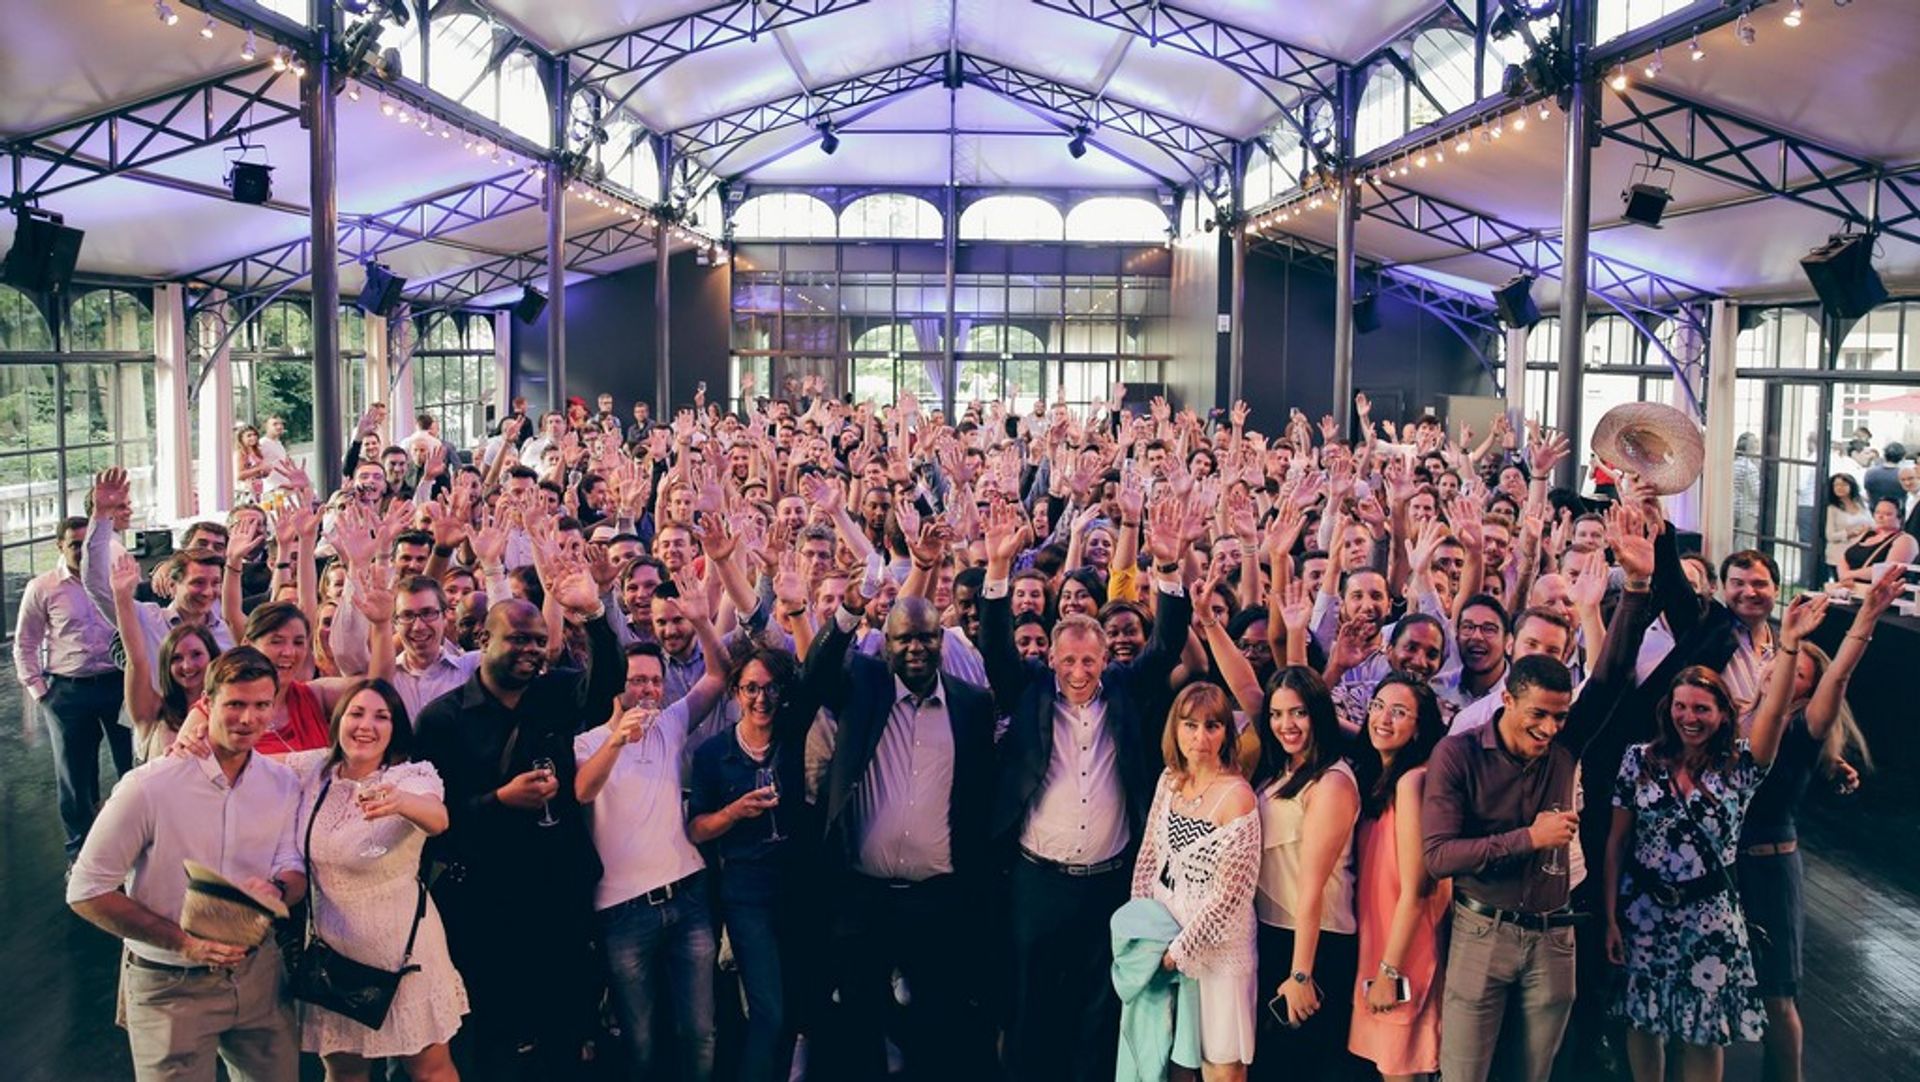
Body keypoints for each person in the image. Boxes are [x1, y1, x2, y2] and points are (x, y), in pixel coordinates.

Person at [979, 496, 1195, 1082]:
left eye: (1090, 661)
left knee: (1098, 1007)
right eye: (1068, 660)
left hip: (1107, 882)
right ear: (1051, 658)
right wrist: (997, 568)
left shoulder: (1125, 689)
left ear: (1105, 659)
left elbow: (1166, 645)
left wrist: (1168, 568)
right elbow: (995, 647)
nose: (1079, 672)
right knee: (1030, 1005)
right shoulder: (1028, 689)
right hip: (1037, 881)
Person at [67, 647, 308, 1082]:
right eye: (235, 704)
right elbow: (86, 891)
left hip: (258, 973)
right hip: (169, 985)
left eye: (261, 706)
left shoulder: (283, 783)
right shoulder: (149, 787)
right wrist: (184, 943)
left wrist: (279, 889)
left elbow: (291, 864)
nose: (248, 719)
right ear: (207, 703)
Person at [1604, 593, 1817, 1082]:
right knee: (1644, 1018)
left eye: (1701, 708)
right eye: (1681, 707)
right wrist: (1611, 916)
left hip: (1709, 917)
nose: (1689, 717)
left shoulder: (1739, 766)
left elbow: (1773, 715)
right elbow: (1617, 844)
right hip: (1644, 910)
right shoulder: (1639, 760)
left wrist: (1788, 646)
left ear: (1724, 713)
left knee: (1702, 1031)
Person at [413, 587, 622, 1080]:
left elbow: (608, 685)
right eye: (518, 639)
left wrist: (594, 615)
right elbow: (431, 820)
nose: (531, 649)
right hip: (488, 902)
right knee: (498, 1030)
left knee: (565, 1023)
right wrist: (499, 801)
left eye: (538, 640)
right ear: (483, 640)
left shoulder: (554, 694)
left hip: (559, 892)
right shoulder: (442, 719)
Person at [799, 586, 999, 1081]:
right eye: (904, 638)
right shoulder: (863, 685)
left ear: (941, 641)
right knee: (861, 1022)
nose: (916, 648)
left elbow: (978, 794)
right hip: (863, 894)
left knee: (936, 1021)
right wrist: (848, 611)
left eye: (926, 637)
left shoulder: (972, 704)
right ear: (886, 643)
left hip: (937, 897)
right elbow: (816, 674)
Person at [1737, 573, 1893, 1082]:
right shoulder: (1735, 717)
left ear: (1806, 689)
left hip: (1769, 869)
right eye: (1780, 664)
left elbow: (1839, 676)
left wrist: (1866, 616)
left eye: (1799, 673)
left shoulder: (1803, 730)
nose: (1782, 673)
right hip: (1724, 868)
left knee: (1776, 995)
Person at [286, 679, 467, 1080]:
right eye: (356, 713)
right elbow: (245, 755)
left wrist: (401, 802)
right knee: (344, 1073)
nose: (366, 725)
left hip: (403, 956)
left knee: (429, 1070)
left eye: (381, 717)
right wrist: (196, 725)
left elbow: (438, 819)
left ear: (395, 728)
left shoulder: (411, 776)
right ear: (338, 721)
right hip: (333, 957)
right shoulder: (312, 770)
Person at [577, 613, 729, 1081]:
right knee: (639, 1039)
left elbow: (718, 675)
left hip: (687, 896)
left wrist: (702, 620)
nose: (648, 690)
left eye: (656, 681)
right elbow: (582, 791)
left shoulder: (672, 722)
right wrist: (617, 741)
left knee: (700, 1031)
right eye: (637, 681)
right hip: (622, 912)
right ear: (616, 686)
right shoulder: (586, 742)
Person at [689, 646, 827, 1082]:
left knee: (796, 1005)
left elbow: (818, 676)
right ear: (735, 691)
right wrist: (733, 813)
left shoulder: (794, 738)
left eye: (770, 689)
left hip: (797, 888)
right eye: (751, 688)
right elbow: (696, 829)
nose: (761, 699)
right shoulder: (713, 754)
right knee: (768, 1010)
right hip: (746, 894)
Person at [1129, 682, 1260, 1081]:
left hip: (1216, 952)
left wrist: (1178, 952)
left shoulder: (1238, 796)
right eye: (1190, 725)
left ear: (1226, 733)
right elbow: (1148, 858)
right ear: (1175, 728)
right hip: (1164, 934)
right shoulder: (1170, 779)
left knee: (1221, 1065)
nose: (1200, 737)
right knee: (1170, 1060)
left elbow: (1230, 898)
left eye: (1212, 726)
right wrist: (1142, 928)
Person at [1248, 667, 1361, 1082]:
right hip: (1272, 930)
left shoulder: (1331, 783)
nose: (1286, 724)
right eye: (1277, 714)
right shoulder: (1282, 769)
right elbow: (1244, 684)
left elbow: (1311, 888)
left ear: (1318, 714)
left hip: (1314, 942)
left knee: (1301, 1066)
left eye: (1298, 713)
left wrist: (1301, 974)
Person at [1346, 674, 1450, 1082]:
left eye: (1399, 712)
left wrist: (1390, 971)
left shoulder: (1412, 782)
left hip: (1405, 949)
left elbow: (1418, 889)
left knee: (1400, 1070)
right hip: (1378, 941)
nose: (1383, 718)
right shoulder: (1382, 777)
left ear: (1419, 728)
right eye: (1377, 706)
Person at [13, 515, 132, 862]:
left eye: (89, 544)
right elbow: (25, 644)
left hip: (118, 686)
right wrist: (41, 694)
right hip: (68, 692)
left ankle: (132, 846)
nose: (84, 551)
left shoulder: (116, 581)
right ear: (60, 546)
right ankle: (80, 855)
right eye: (75, 545)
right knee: (76, 779)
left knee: (132, 766)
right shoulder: (43, 587)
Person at [1833, 497, 1918, 586]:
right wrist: (1844, 575)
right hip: (1851, 588)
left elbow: (1887, 570)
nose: (1880, 517)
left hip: (1879, 591)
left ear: (1900, 518)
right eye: (1877, 512)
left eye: (1888, 514)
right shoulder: (1868, 534)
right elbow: (1845, 556)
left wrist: (1850, 574)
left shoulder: (1905, 540)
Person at [1822, 473, 1872, 579]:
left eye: (1844, 484)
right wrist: (1849, 533)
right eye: (1836, 485)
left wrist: (1867, 529)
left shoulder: (1861, 504)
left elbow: (1872, 523)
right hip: (1839, 555)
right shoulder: (1832, 509)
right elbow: (1830, 536)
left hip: (1860, 554)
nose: (1840, 488)